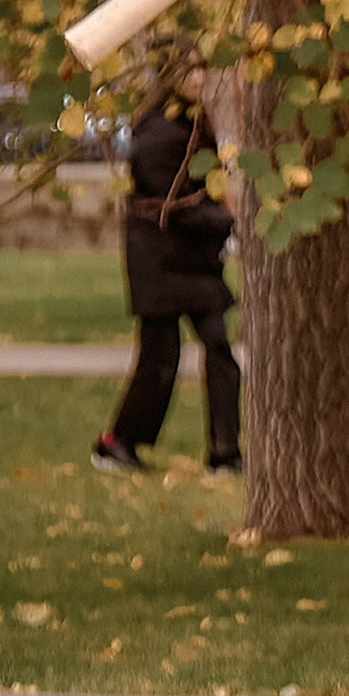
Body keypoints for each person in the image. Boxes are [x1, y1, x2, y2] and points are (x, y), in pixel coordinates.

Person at [93, 72, 240, 477]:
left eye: (202, 67)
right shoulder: (158, 133)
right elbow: (172, 206)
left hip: (194, 265)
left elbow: (202, 191)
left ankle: (226, 450)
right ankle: (118, 442)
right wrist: (229, 223)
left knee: (219, 351)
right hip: (160, 265)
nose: (200, 77)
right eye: (189, 70)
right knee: (159, 360)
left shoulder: (190, 123)